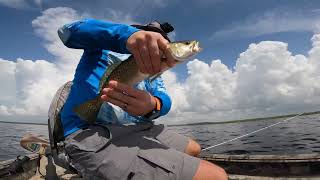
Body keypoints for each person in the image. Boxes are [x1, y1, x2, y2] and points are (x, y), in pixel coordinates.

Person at [58, 18, 227, 180]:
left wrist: (154, 105)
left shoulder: (155, 70)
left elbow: (163, 97)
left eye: (163, 41)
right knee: (216, 176)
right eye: (152, 37)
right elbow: (68, 31)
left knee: (194, 148)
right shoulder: (102, 44)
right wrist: (126, 35)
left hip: (140, 128)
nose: (156, 44)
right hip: (91, 131)